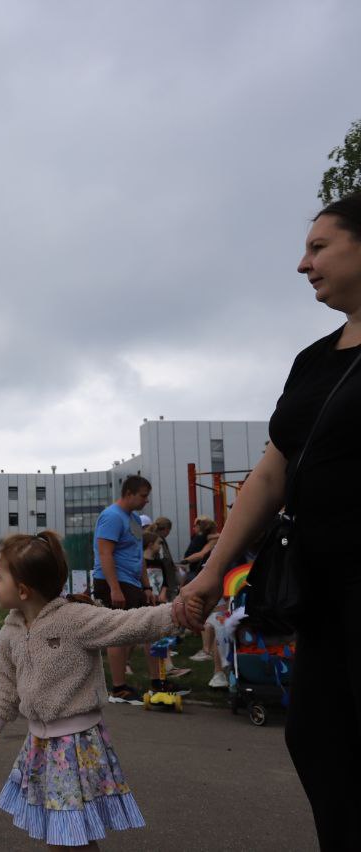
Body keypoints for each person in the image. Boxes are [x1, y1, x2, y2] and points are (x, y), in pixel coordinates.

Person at [177, 192, 361, 850]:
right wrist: (210, 573)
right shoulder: (314, 361)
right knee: (316, 738)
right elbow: (268, 476)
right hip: (319, 594)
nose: (302, 264)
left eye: (319, 247)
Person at [0, 531, 184, 848]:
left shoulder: (73, 619)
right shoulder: (11, 630)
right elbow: (7, 681)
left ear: (22, 590)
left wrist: (175, 613)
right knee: (57, 829)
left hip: (76, 745)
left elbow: (126, 623)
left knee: (71, 834)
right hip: (40, 744)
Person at [90, 475, 159, 703]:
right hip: (114, 581)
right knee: (119, 634)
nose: (146, 501)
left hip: (133, 582)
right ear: (128, 493)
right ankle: (118, 689)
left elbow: (138, 555)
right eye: (143, 496)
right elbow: (105, 553)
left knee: (143, 629)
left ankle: (157, 681)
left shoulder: (135, 520)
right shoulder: (111, 516)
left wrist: (146, 585)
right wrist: (114, 589)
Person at [179, 516, 219, 583]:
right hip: (195, 568)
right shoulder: (202, 537)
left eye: (195, 526)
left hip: (198, 570)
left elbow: (202, 554)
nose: (193, 528)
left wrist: (186, 560)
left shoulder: (209, 538)